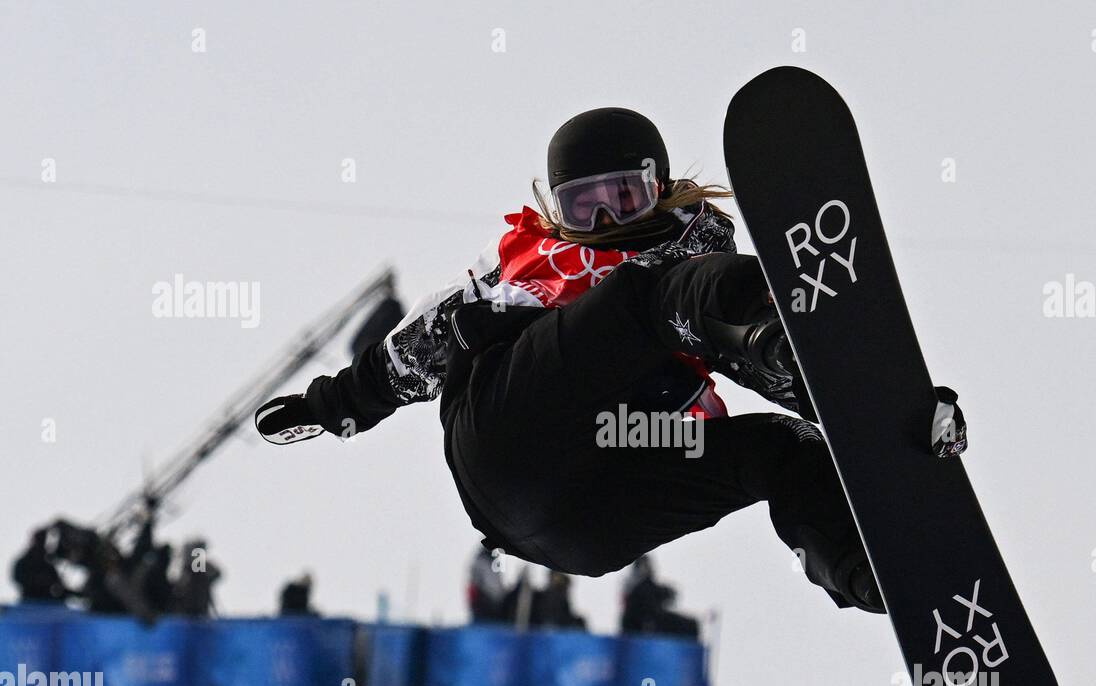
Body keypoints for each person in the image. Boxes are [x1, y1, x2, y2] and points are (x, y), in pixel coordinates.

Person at [256, 107, 966, 615]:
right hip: (508, 439)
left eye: (623, 196)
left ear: (658, 185)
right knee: (646, 294)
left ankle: (867, 574)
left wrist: (855, 409)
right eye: (582, 205)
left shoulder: (693, 264)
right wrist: (336, 403)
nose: (604, 222)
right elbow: (422, 342)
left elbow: (726, 343)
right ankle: (815, 372)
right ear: (553, 206)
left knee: (781, 449)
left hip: (596, 512)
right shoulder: (529, 261)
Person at [620, 554, 699, 640]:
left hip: (651, 622)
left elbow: (666, 593)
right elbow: (648, 606)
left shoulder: (647, 586)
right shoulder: (636, 588)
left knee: (690, 625)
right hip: (641, 627)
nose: (646, 569)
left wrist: (667, 592)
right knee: (689, 625)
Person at [10, 527, 67, 604]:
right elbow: (18, 577)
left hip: (46, 601)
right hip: (29, 600)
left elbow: (57, 583)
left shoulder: (48, 564)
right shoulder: (25, 562)